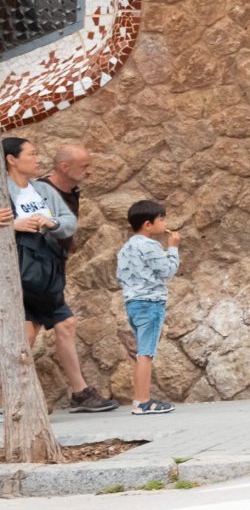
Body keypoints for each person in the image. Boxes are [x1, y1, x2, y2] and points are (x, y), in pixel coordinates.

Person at [6, 136, 112, 412]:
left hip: (47, 271)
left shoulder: (43, 190)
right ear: (11, 160)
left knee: (45, 330)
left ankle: (76, 393)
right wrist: (15, 225)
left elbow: (67, 224)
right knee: (42, 329)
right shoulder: (6, 190)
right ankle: (17, 397)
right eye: (31, 154)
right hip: (20, 273)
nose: (37, 158)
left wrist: (50, 222)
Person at [116, 199, 181, 415]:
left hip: (132, 303)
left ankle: (140, 399)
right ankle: (142, 401)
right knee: (146, 353)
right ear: (148, 224)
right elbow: (167, 271)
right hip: (150, 303)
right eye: (161, 220)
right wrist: (172, 249)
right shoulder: (151, 246)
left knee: (142, 351)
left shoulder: (126, 248)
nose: (165, 224)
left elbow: (120, 276)